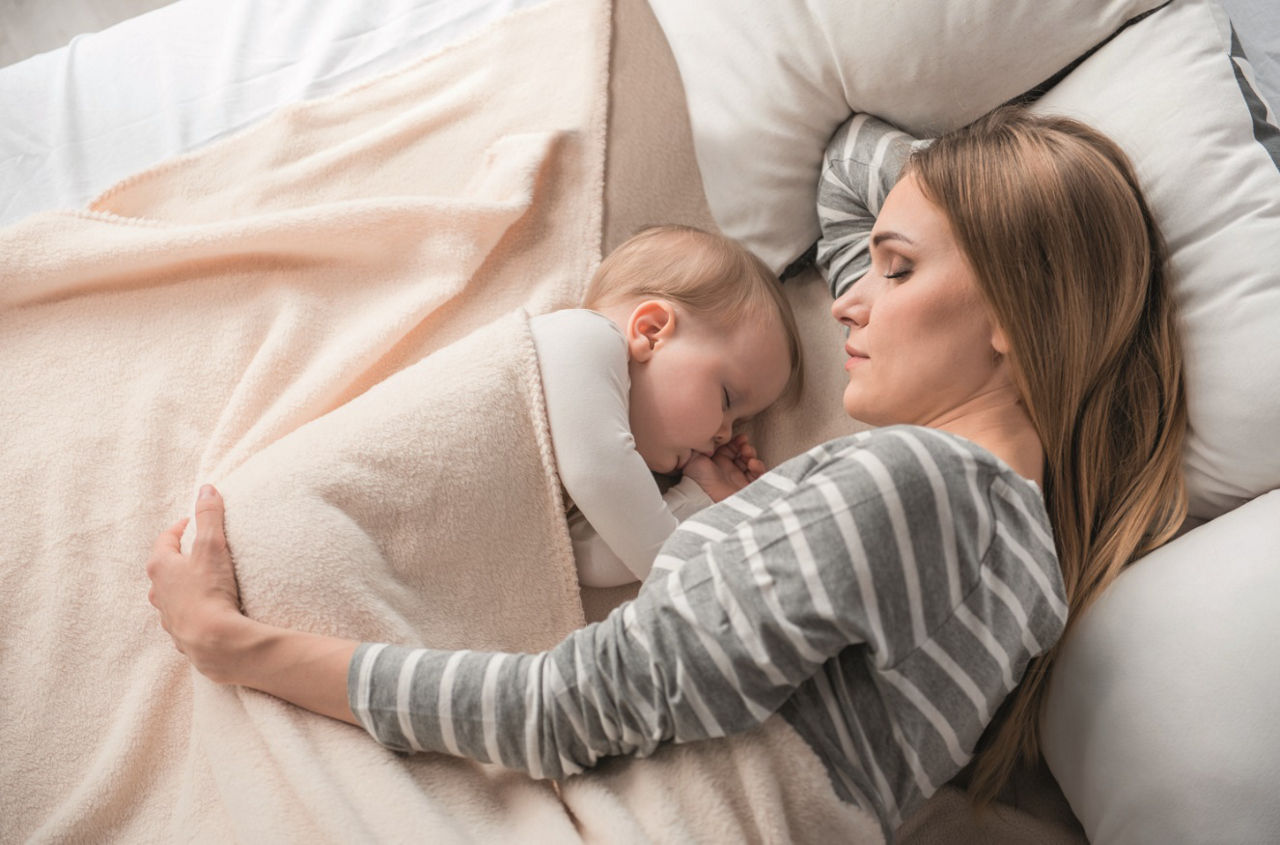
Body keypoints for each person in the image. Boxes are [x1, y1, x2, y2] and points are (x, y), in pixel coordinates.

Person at [146, 106, 1187, 840]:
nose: (845, 300)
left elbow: (564, 709)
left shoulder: (910, 486)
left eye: (898, 269)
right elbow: (847, 177)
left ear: (1012, 310)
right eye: (871, 264)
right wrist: (977, 197)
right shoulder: (1027, 565)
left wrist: (237, 644)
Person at [530, 223, 802, 586]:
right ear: (652, 331)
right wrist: (693, 577)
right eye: (726, 399)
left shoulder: (596, 488)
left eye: (739, 423)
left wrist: (699, 497)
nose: (725, 434)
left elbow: (575, 560)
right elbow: (599, 475)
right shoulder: (581, 337)